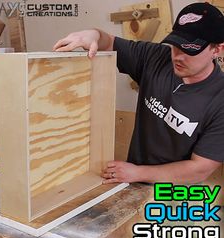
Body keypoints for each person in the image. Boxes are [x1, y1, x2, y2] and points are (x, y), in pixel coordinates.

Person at [53, 2, 224, 185]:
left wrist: (137, 173)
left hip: (174, 191)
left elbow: (199, 169)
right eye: (176, 45)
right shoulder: (156, 57)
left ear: (217, 49)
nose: (177, 56)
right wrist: (92, 35)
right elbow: (108, 42)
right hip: (131, 180)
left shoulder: (220, 100)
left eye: (189, 50)